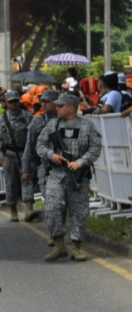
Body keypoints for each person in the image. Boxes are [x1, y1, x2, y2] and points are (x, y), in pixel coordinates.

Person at [38, 93, 102, 261]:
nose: (56, 108)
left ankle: (76, 247)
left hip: (78, 176)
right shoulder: (52, 125)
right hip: (57, 174)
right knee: (52, 207)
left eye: (60, 106)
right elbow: (40, 145)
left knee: (79, 211)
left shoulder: (87, 125)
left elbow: (95, 147)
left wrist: (81, 162)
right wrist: (51, 155)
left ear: (71, 107)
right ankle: (59, 245)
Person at [0, 90, 31, 222]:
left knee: (27, 180)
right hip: (9, 154)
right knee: (11, 183)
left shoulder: (27, 116)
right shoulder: (3, 119)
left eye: (16, 101)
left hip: (25, 153)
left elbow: (33, 135)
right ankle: (13, 210)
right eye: (11, 102)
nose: (14, 104)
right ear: (6, 103)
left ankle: (29, 208)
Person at [22, 88, 58, 222]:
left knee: (62, 201)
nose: (43, 104)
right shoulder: (37, 122)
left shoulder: (67, 120)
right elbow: (29, 146)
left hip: (64, 166)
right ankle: (54, 232)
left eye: (47, 102)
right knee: (48, 197)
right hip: (44, 165)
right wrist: (26, 169)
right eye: (42, 101)